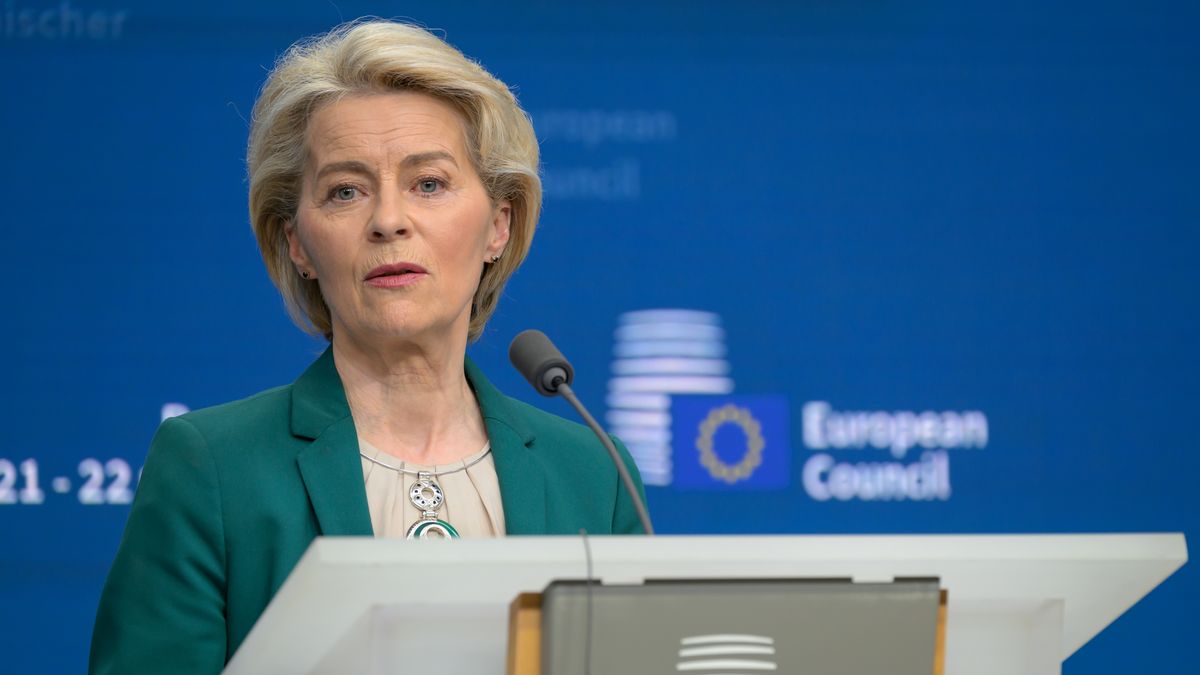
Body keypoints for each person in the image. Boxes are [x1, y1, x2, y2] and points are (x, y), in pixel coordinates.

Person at [89, 19, 647, 674]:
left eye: (429, 183)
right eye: (346, 191)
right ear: (298, 242)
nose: (388, 220)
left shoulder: (593, 473)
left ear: (499, 224)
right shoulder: (211, 468)